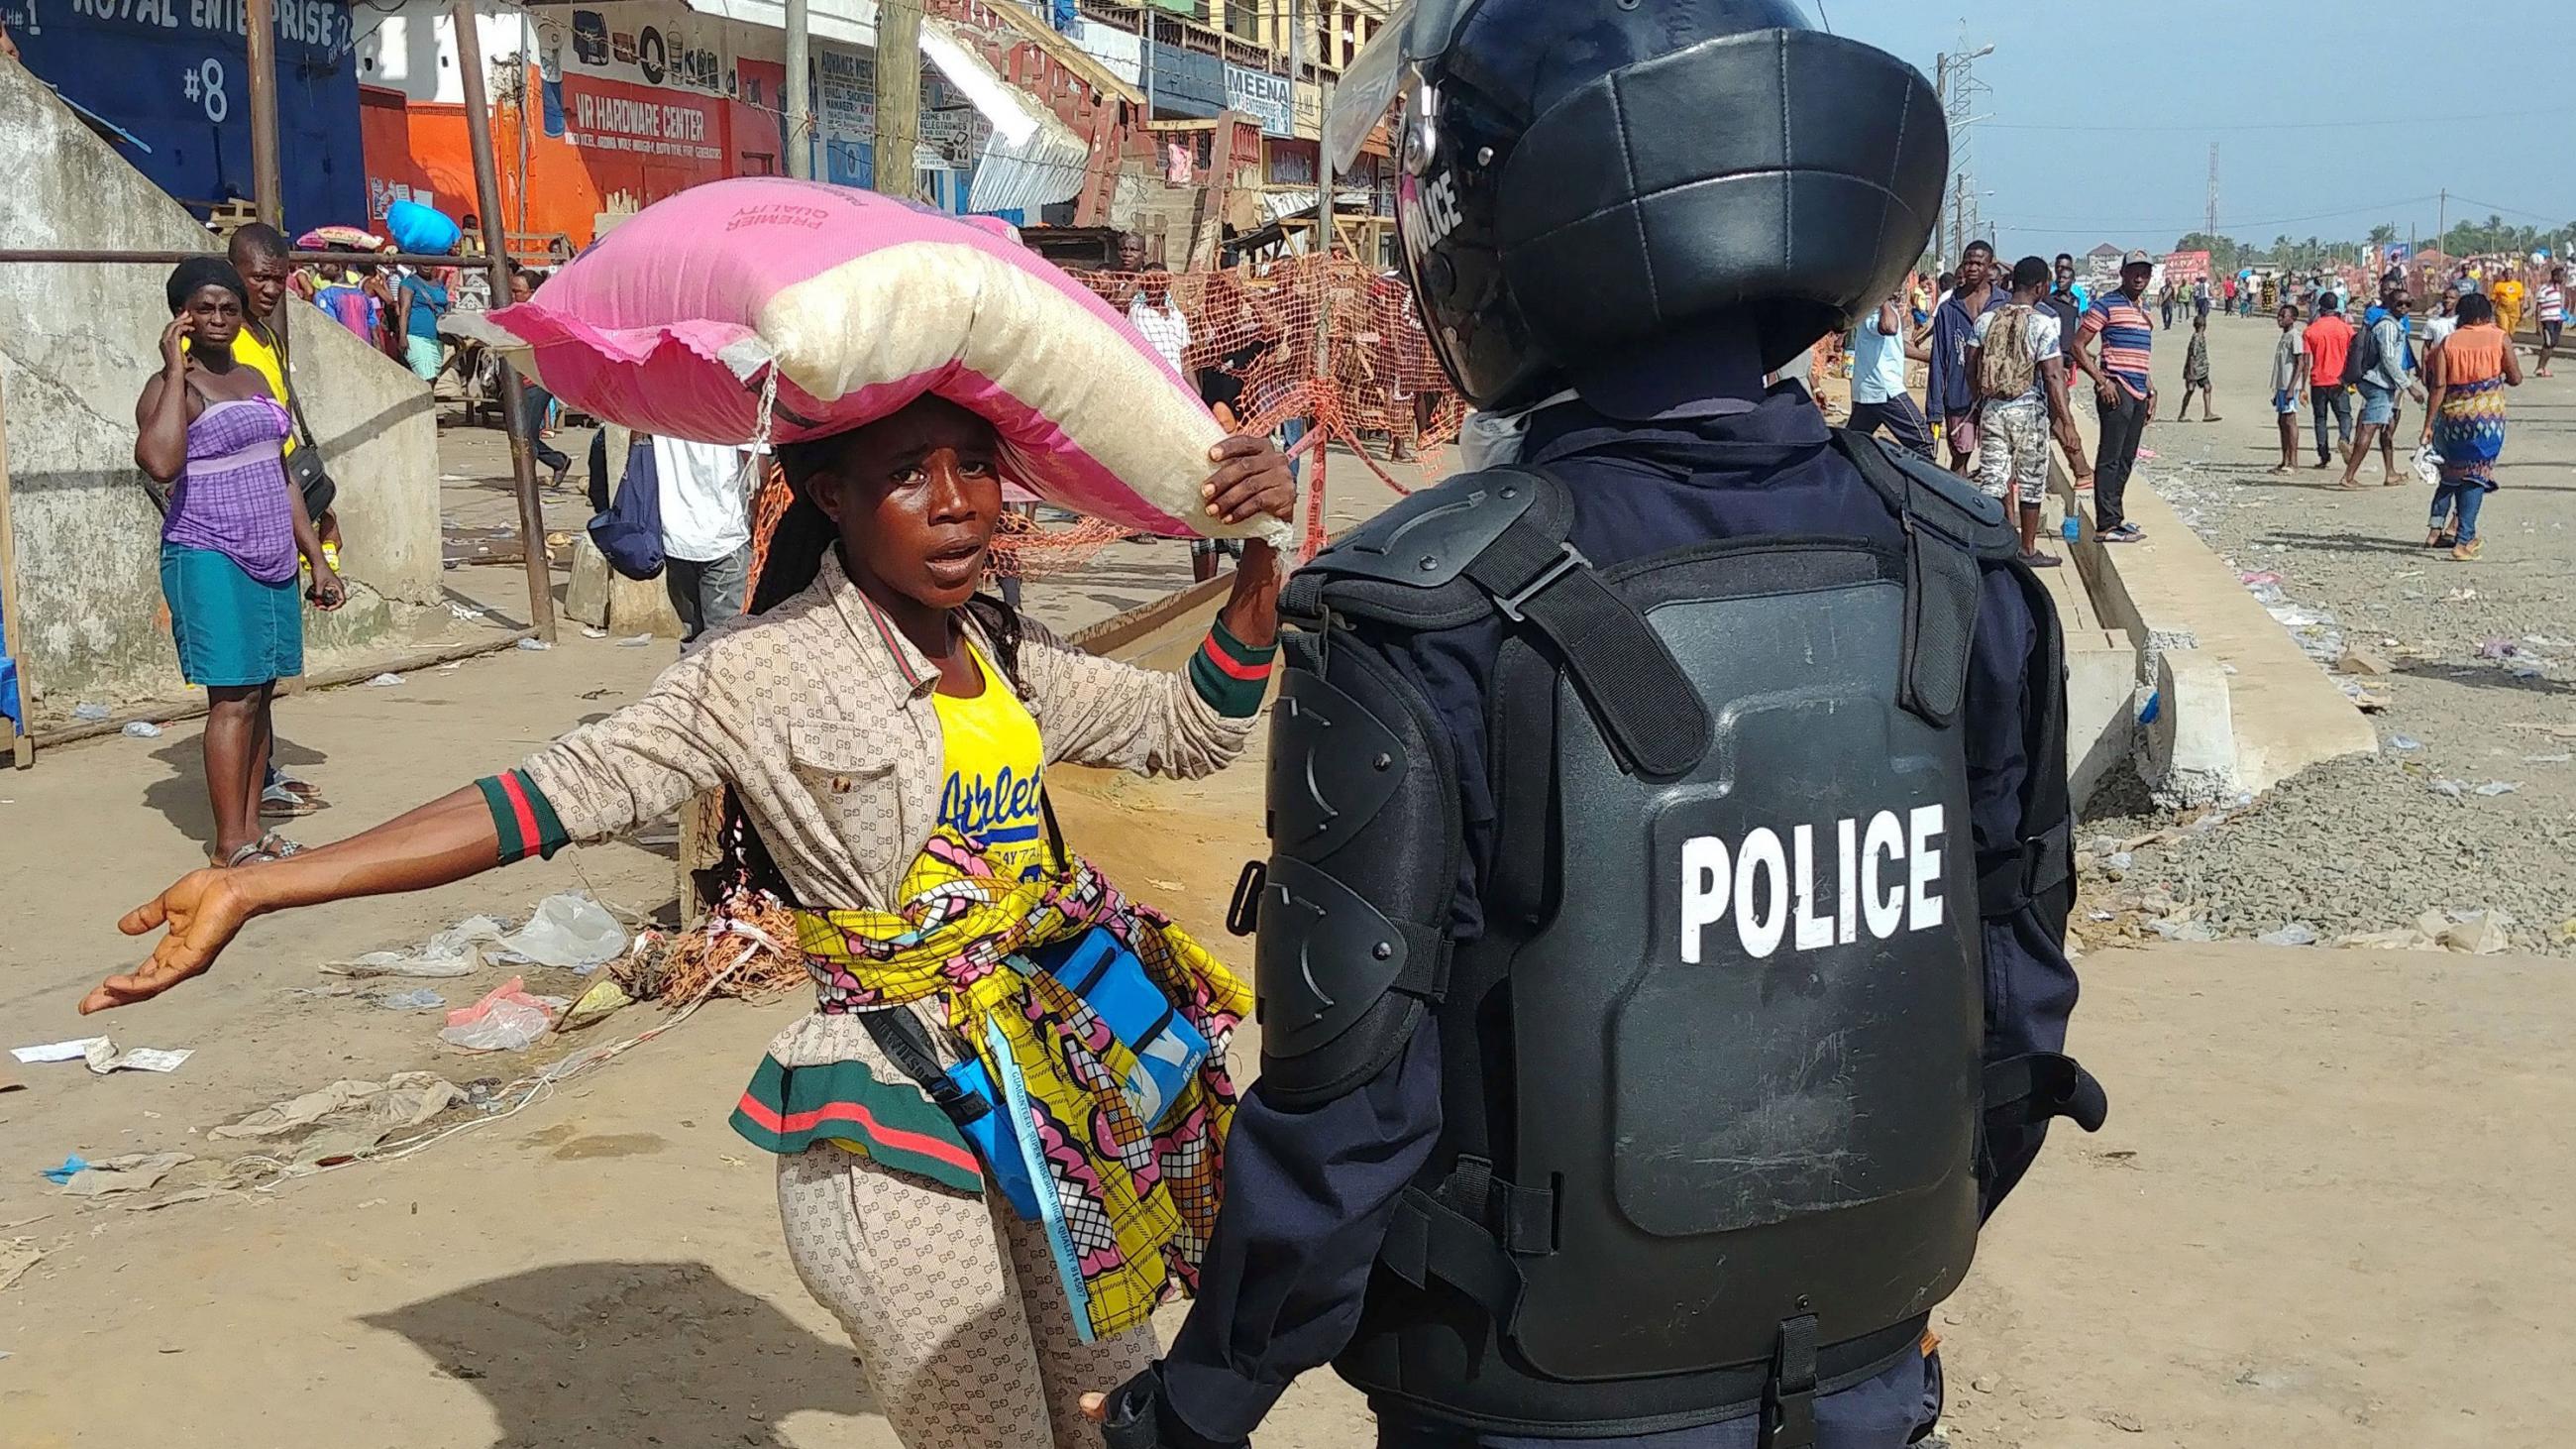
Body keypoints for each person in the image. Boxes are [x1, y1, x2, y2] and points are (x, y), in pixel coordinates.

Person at [1086, 6, 2101, 1447]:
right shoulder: (1960, 565)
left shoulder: (1415, 610)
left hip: (1531, 1399)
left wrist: (1197, 1401)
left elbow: (1354, 1105)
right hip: (1864, 1371)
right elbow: (2017, 1002)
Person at [87, 390, 1302, 1448]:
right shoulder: (756, 671)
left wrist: (1254, 560)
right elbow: (541, 796)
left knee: (1115, 1408)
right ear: (827, 494)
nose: (957, 505)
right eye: (904, 475)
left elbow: (1188, 731)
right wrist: (261, 880)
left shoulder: (1005, 649)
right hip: (898, 1112)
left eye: (974, 465)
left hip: (1045, 1096)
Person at [134, 259, 346, 868]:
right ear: (182, 316)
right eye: (204, 308)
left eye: (229, 308)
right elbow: (160, 462)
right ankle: (230, 845)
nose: (218, 319)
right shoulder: (169, 387)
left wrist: (317, 560)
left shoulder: (255, 377)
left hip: (272, 554)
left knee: (261, 695)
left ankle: (252, 833)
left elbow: (282, 476)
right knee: (230, 699)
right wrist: (176, 370)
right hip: (208, 553)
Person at [223, 223, 338, 819]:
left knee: (267, 668)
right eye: (258, 277)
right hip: (237, 524)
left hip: (283, 508)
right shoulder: (218, 349)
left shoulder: (265, 336)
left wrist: (317, 506)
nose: (270, 287)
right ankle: (241, 807)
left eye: (278, 276)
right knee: (241, 681)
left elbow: (285, 432)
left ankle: (260, 780)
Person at [1967, 256, 2079, 567]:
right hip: (2027, 409)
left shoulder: (1986, 320)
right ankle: (2027, 549)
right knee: (2030, 479)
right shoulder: (2043, 324)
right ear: (2042, 287)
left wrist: (1980, 400)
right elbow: (2054, 376)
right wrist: (2067, 423)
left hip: (1992, 408)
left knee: (1994, 478)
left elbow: (1971, 364)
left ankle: (1996, 545)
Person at [2420, 291, 2522, 560]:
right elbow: (2515, 377)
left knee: (2453, 474)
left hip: (2454, 420)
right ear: (2486, 313)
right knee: (2477, 476)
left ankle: (2444, 530)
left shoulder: (2448, 343)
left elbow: (2439, 385)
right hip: (2488, 420)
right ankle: (2464, 540)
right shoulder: (2500, 337)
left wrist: (2428, 425)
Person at [2072, 250, 2158, 542]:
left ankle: (2116, 515)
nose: (2139, 277)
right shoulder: (2106, 305)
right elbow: (2078, 346)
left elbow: (2140, 356)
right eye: (2134, 271)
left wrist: (2151, 388)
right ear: (2122, 273)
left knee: (2126, 457)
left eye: (2144, 272)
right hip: (2116, 388)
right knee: (2110, 456)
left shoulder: (2142, 310)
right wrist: (2101, 381)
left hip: (2138, 390)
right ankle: (2106, 523)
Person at [653, 435, 755, 644]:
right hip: (727, 539)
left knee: (693, 634)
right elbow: (758, 471)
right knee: (725, 640)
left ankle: (689, 675)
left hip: (675, 539)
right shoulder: (738, 403)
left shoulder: (658, 404)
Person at [1928, 240, 2002, 476]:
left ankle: (1999, 512)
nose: (1972, 268)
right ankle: (1960, 509)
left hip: (1996, 398)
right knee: (1960, 457)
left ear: (1989, 266)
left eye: (1978, 263)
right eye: (1968, 262)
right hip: (1958, 396)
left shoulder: (2004, 305)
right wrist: (1934, 409)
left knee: (1999, 463)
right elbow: (1938, 359)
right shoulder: (1949, 309)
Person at [1847, 288, 1936, 458]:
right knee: (1924, 444)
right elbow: (1889, 328)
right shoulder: (1875, 310)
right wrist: (1882, 298)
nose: (1900, 288)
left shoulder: (1881, 310)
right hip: (1884, 389)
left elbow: (1896, 342)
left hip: (1870, 389)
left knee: (1853, 443)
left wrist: (1928, 357)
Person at [2344, 280, 2416, 489]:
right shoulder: (2387, 327)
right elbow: (2389, 359)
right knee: (2369, 429)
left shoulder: (2396, 324)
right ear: (2389, 304)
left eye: (2407, 304)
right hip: (2380, 384)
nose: (2403, 308)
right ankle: (2349, 476)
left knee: (2384, 427)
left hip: (2381, 382)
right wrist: (2408, 386)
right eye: (2399, 304)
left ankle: (2390, 473)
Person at [506, 267, 574, 487]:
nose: (513, 295)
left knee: (526, 434)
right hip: (518, 382)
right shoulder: (516, 313)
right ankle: (557, 461)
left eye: (518, 291)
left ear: (532, 292)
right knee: (523, 433)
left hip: (535, 382)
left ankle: (528, 479)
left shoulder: (539, 316)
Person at [2301, 293, 2356, 470]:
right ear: (2336, 307)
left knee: (2320, 419)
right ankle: (2344, 438)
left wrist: (2302, 387)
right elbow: (2354, 354)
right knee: (2344, 415)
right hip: (2340, 380)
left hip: (2318, 380)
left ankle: (2323, 455)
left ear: (2320, 307)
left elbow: (2305, 361)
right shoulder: (2346, 329)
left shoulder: (2310, 330)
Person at [1126, 264, 1191, 378]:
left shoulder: (1178, 317)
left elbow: (1185, 362)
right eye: (1149, 282)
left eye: (1159, 281)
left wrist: (1196, 393)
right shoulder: (1138, 311)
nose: (1154, 286)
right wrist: (1140, 278)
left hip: (1175, 384)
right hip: (1149, 381)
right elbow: (1121, 300)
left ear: (1167, 284)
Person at [2269, 301, 2309, 475]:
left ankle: (2293, 462)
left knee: (2290, 421)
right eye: (2279, 315)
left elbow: (2301, 362)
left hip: (2289, 386)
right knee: (2282, 421)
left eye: (2283, 316)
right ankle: (2284, 459)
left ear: (2292, 319)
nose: (2279, 318)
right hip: (2281, 385)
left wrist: (2293, 387)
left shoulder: (2295, 336)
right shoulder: (2284, 336)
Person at [393, 267, 449, 384]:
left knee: (432, 378)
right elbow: (404, 310)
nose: (426, 265)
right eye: (422, 262)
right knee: (426, 377)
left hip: (437, 340)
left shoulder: (440, 285)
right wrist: (402, 337)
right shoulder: (409, 283)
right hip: (416, 337)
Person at [2177, 314, 2220, 422]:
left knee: (2207, 387)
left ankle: (2207, 413)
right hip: (2194, 370)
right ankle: (2182, 414)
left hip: (2201, 370)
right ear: (2204, 326)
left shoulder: (2199, 337)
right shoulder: (2196, 338)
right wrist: (2190, 372)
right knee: (2190, 390)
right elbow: (2192, 355)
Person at [2536, 265, 2565, 379]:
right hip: (2547, 319)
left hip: (2557, 319)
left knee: (2553, 344)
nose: (2563, 278)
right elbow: (2538, 308)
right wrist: (2538, 325)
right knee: (2548, 343)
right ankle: (2540, 367)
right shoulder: (2544, 289)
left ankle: (2542, 367)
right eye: (2561, 276)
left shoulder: (2558, 288)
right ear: (2555, 276)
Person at [2491, 268, 2526, 344]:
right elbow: (2493, 299)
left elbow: (2521, 299)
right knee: (2503, 327)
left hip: (2514, 309)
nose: (2508, 275)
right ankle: (2504, 344)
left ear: (2513, 275)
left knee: (2512, 329)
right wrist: (2490, 309)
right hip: (2502, 309)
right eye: (2506, 273)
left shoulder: (2518, 285)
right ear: (2504, 275)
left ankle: (2509, 342)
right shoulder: (2498, 285)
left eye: (2510, 273)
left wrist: (2522, 310)